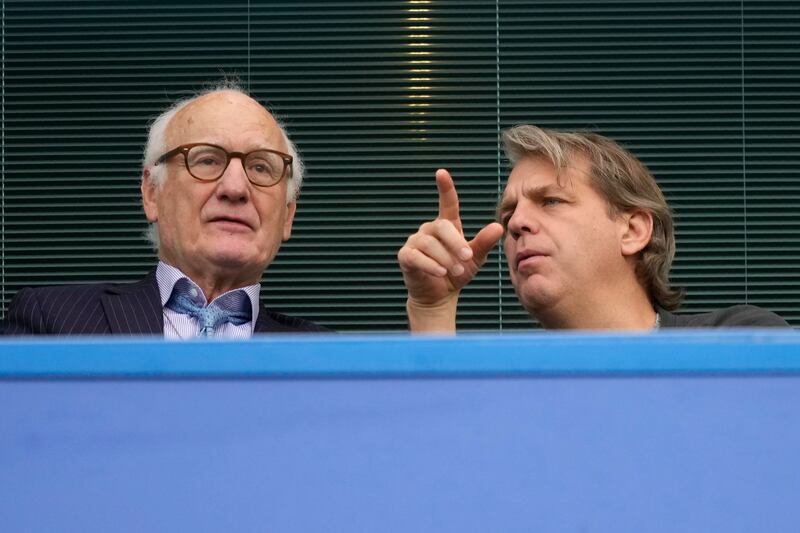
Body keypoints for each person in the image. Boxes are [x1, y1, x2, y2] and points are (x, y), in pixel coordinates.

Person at [3, 83, 327, 337]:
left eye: (260, 167)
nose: (235, 188)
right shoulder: (53, 323)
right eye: (207, 160)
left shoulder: (328, 363)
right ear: (152, 193)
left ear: (287, 214)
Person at [399, 125, 790, 331]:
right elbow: (448, 459)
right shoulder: (515, 385)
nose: (515, 223)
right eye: (507, 215)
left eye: (551, 201)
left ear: (633, 230)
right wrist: (433, 307)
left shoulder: (736, 340)